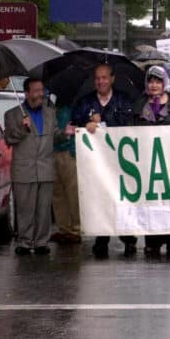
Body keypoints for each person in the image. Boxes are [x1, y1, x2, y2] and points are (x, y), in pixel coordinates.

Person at [72, 63, 135, 258]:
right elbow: (75, 124)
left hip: (120, 160)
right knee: (100, 199)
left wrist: (104, 118)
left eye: (105, 77)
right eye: (98, 78)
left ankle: (128, 238)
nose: (101, 81)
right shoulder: (85, 102)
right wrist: (86, 123)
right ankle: (102, 238)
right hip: (95, 163)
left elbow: (129, 124)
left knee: (122, 199)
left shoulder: (124, 100)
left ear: (112, 79)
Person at [4, 77, 70, 256]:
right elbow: (9, 139)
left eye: (42, 90)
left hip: (45, 168)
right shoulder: (12, 114)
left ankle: (41, 242)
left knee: (43, 210)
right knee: (25, 210)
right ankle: (25, 242)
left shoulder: (50, 112)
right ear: (27, 93)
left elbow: (54, 136)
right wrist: (22, 128)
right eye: (36, 91)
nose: (40, 94)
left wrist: (65, 133)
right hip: (24, 170)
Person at [132, 66, 170, 256]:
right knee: (152, 200)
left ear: (164, 83)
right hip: (148, 160)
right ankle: (153, 240)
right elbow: (130, 128)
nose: (154, 85)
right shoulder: (139, 104)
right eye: (151, 81)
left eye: (158, 81)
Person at [50, 102, 81, 245]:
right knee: (57, 193)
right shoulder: (53, 105)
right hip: (53, 151)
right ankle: (64, 228)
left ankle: (76, 229)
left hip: (70, 151)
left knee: (72, 192)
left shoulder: (77, 105)